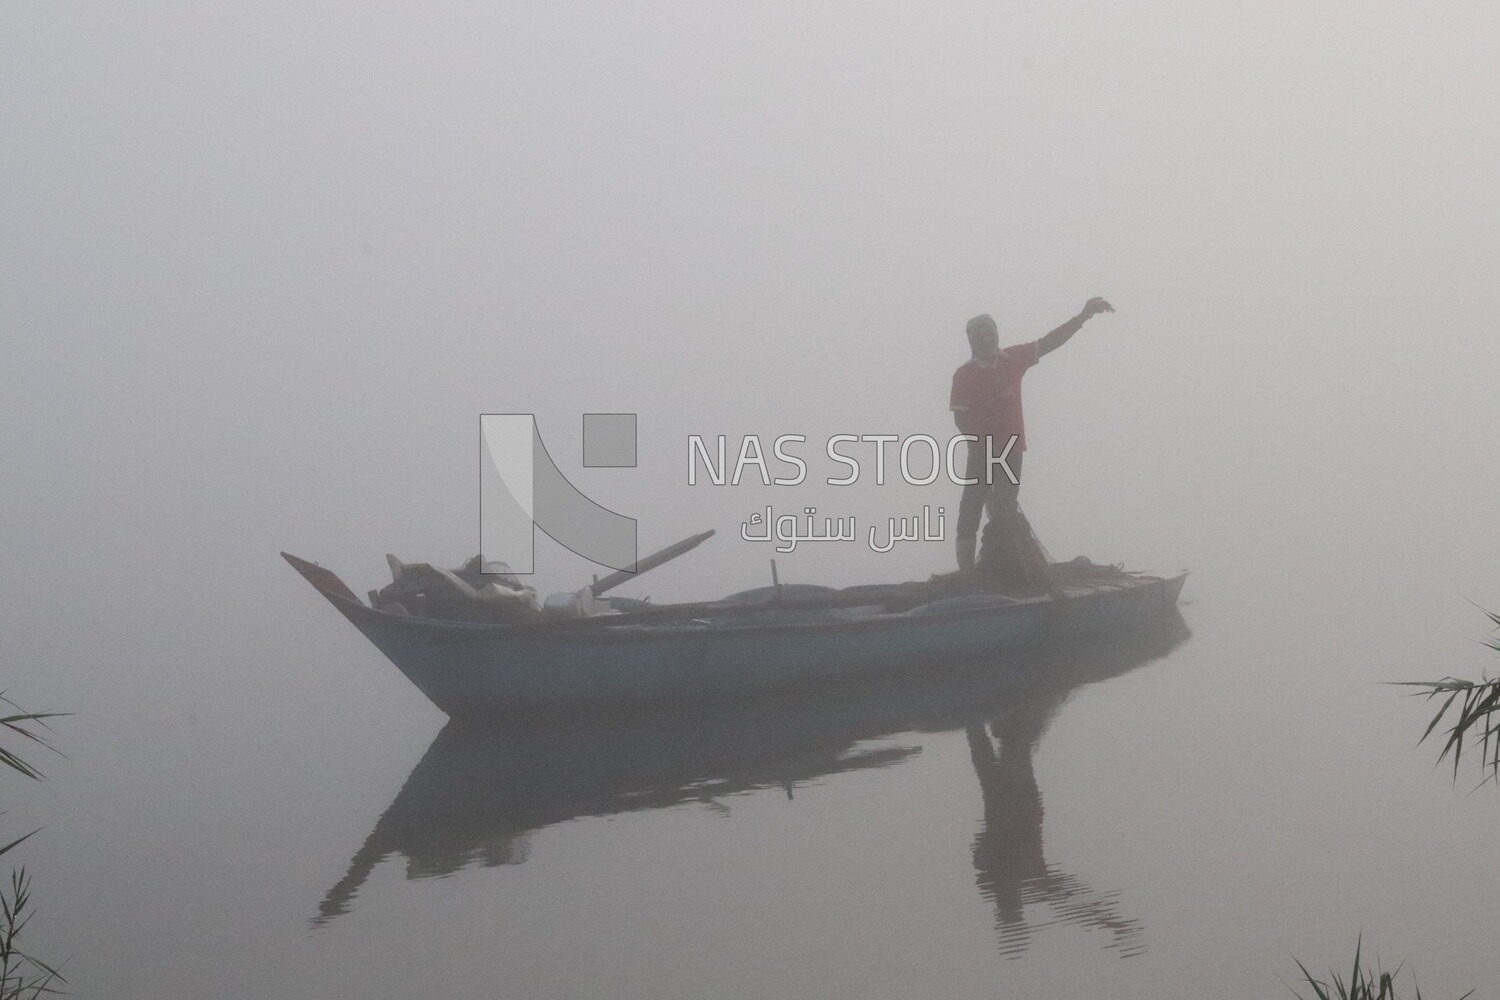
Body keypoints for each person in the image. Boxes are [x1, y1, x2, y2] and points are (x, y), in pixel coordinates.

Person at [949, 298, 1114, 578]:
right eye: (980, 332)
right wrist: (985, 441)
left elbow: (1051, 341)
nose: (988, 336)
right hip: (981, 453)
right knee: (970, 512)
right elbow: (960, 419)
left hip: (1012, 452)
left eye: (991, 330)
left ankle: (1004, 570)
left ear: (997, 334)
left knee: (1004, 512)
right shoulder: (964, 375)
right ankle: (967, 576)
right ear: (971, 339)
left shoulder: (1015, 358)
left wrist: (1083, 315)